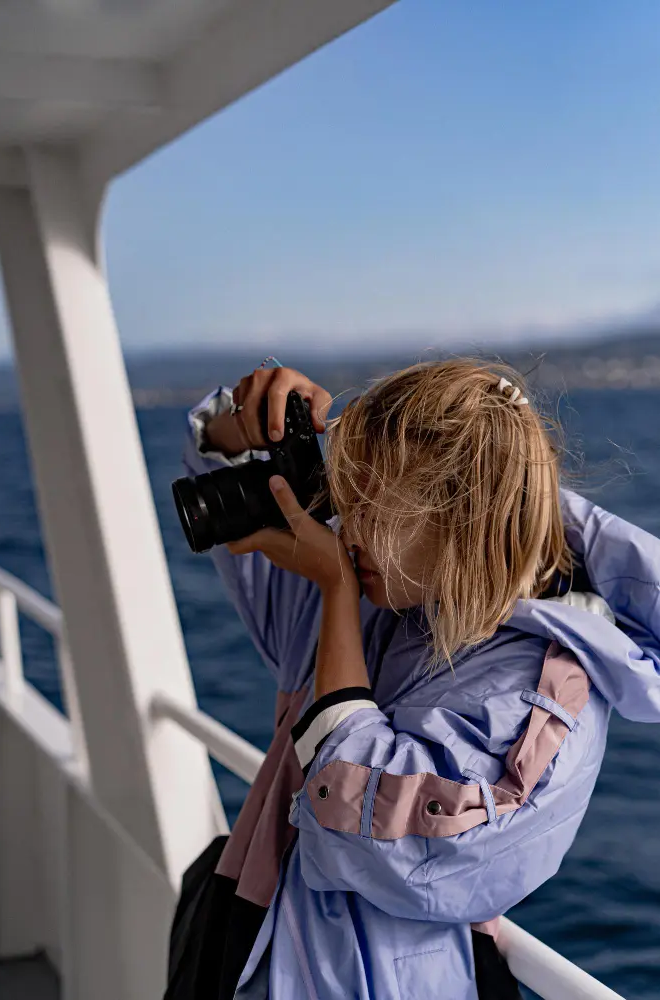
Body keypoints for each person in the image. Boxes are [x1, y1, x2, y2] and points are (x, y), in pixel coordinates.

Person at [178, 355, 660, 1000]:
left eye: (373, 506)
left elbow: (377, 840)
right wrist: (235, 435)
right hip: (248, 944)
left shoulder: (543, 692)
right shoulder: (394, 602)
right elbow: (269, 582)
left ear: (458, 517)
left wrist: (339, 592)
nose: (346, 528)